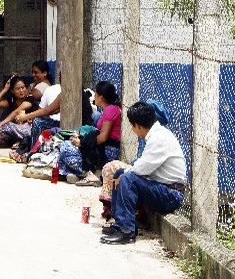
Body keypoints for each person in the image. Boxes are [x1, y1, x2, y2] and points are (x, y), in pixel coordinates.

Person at [100, 102, 187, 245]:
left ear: (138, 126)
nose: (133, 130)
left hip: (171, 194)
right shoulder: (157, 134)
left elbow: (143, 168)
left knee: (127, 179)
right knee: (120, 173)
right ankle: (120, 223)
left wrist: (125, 174)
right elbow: (142, 166)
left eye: (132, 126)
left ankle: (126, 231)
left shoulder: (159, 138)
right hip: (163, 188)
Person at [75, 81, 122, 186]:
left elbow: (103, 138)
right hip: (106, 147)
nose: (94, 97)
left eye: (95, 94)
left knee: (68, 149)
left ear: (101, 98)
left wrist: (82, 142)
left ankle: (88, 173)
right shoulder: (111, 109)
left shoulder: (110, 110)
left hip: (108, 151)